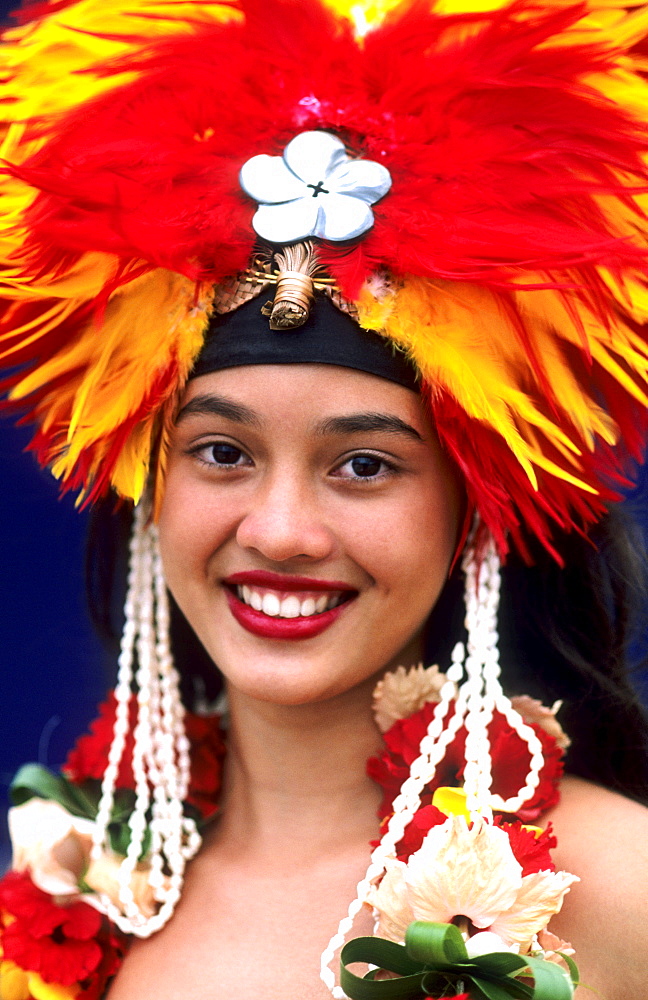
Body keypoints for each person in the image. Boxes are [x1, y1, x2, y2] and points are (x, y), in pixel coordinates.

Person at [0, 2, 648, 1000]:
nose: (283, 530)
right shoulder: (84, 889)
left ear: (474, 504)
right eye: (221, 451)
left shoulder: (617, 887)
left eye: (364, 465)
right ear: (147, 483)